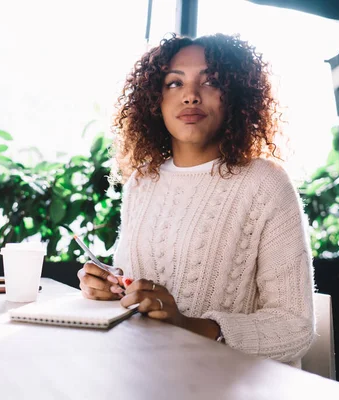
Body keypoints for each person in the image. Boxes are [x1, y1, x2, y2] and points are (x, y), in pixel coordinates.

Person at [77, 33, 315, 368]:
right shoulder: (143, 182)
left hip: (227, 383)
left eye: (211, 81)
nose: (190, 96)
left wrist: (190, 326)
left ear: (234, 97)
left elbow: (295, 327)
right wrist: (109, 287)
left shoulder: (266, 184)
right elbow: (134, 287)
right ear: (154, 101)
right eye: (174, 83)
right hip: (145, 371)